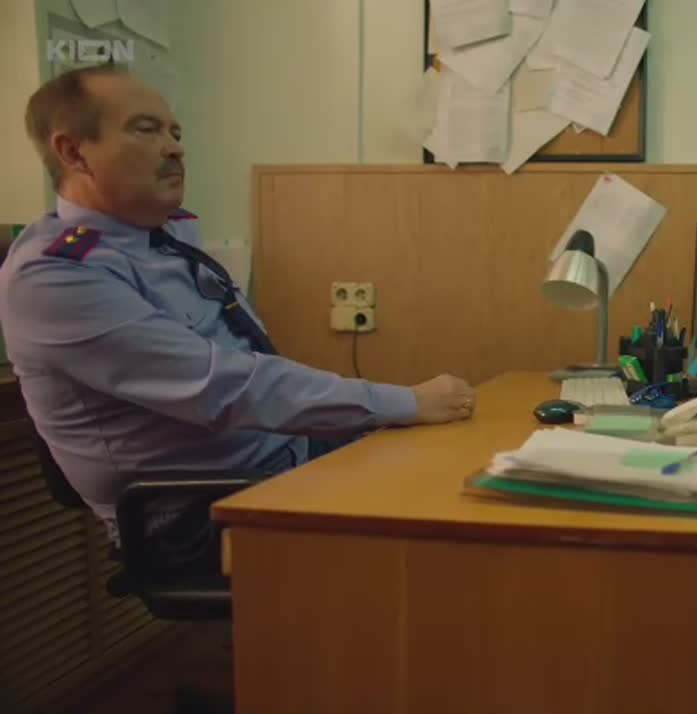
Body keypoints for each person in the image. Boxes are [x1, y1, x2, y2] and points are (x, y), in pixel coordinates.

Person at [0, 64, 477, 570]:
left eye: (176, 133)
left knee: (459, 475)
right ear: (74, 152)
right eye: (146, 129)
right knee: (446, 549)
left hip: (280, 462)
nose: (175, 148)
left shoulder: (163, 239)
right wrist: (406, 402)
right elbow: (224, 386)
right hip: (199, 517)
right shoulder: (56, 277)